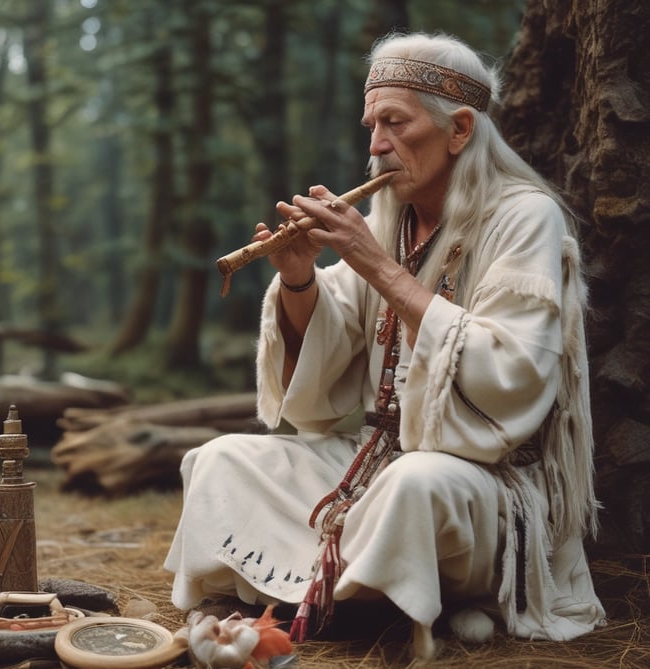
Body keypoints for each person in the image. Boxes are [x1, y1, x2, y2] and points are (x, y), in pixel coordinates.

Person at [164, 31, 605, 661]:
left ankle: (331, 603)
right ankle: (347, 598)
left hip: (484, 481)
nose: (375, 145)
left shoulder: (524, 216)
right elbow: (324, 372)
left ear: (458, 129)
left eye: (395, 123)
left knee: (414, 486)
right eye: (372, 124)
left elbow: (514, 373)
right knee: (222, 459)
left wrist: (377, 267)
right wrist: (297, 277)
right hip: (375, 457)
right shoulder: (387, 218)